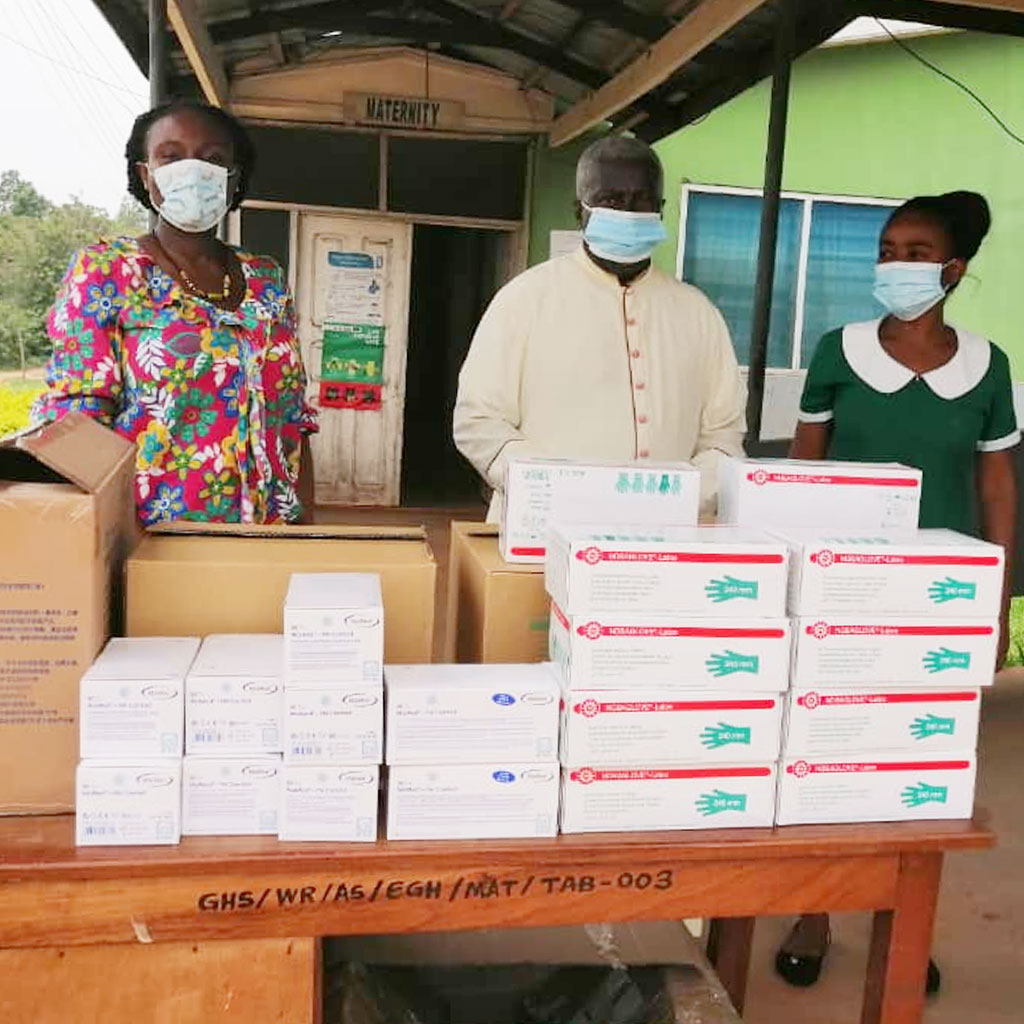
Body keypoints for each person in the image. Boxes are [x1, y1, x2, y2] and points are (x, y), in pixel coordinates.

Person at [778, 190, 1018, 996]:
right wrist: (787, 580)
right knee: (824, 755)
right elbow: (799, 470)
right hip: (843, 593)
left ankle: (904, 924)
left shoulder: (991, 366)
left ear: (954, 269)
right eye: (888, 246)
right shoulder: (838, 351)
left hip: (940, 603)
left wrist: (996, 604)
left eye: (916, 251)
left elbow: (997, 488)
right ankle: (812, 911)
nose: (896, 262)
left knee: (921, 768)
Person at [32, 100, 317, 525]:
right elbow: (74, 427)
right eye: (171, 155)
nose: (192, 170)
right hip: (151, 542)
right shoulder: (108, 270)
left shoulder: (266, 279)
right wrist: (112, 547)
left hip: (269, 540)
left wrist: (308, 529)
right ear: (146, 174)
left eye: (212, 159)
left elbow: (294, 419)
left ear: (232, 177)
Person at [453, 136, 746, 519]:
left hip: (667, 535)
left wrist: (681, 500)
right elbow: (479, 422)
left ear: (660, 209)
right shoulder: (524, 299)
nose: (627, 211)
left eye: (641, 200)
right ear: (580, 210)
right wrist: (561, 490)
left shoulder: (697, 312)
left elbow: (723, 437)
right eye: (610, 199)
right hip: (543, 531)